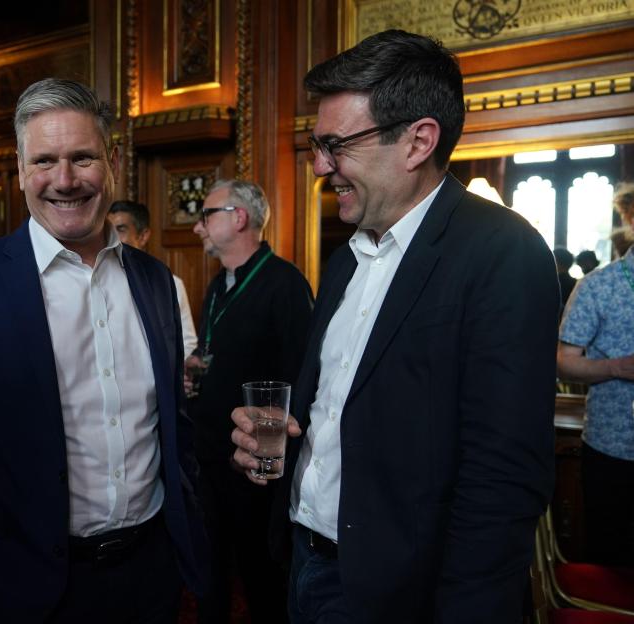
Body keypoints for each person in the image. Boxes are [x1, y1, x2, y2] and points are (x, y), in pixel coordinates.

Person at [230, 29, 560, 623]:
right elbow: (345, 409)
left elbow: (503, 478)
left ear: (417, 141)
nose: (320, 166)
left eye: (336, 145)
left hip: (403, 595)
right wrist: (280, 437)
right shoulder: (345, 259)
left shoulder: (503, 251)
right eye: (317, 145)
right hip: (305, 564)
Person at [0, 78, 207, 623]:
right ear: (20, 170)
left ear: (112, 162)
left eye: (82, 157)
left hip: (151, 574)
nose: (64, 180)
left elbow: (169, 424)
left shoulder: (155, 280)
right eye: (43, 161)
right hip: (23, 589)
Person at [188, 179, 313, 624]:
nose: (198, 227)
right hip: (209, 459)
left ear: (238, 217)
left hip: (257, 469)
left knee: (263, 581)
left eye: (206, 215)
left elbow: (303, 380)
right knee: (209, 575)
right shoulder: (217, 285)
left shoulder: (285, 284)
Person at [557, 181, 634, 566]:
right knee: (613, 565)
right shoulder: (598, 286)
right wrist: (617, 367)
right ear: (631, 217)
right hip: (613, 451)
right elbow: (563, 360)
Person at [108, 199, 198, 357]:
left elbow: (186, 343)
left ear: (143, 236)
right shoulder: (95, 281)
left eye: (121, 229)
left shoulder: (170, 284)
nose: (111, 237)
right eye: (109, 230)